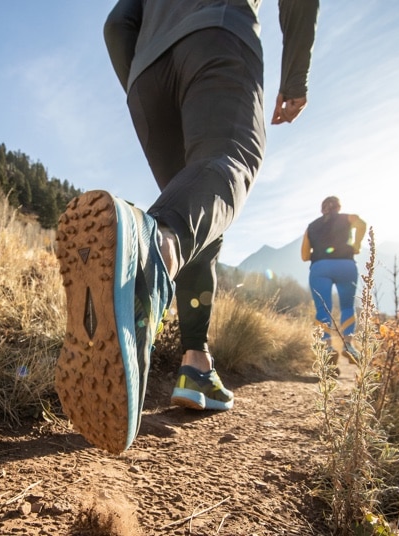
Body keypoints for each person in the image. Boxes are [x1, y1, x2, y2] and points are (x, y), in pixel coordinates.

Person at [55, 0, 320, 454]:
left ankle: (196, 365)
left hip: (145, 75)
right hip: (219, 37)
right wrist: (295, 77)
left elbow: (118, 23)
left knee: (197, 221)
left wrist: (140, 75)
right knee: (231, 161)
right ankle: (146, 263)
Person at [301, 196, 367, 369]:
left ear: (322, 209)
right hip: (346, 266)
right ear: (339, 207)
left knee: (324, 309)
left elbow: (305, 256)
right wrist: (356, 245)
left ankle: (328, 347)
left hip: (320, 268)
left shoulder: (311, 226)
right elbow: (362, 225)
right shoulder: (349, 218)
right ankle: (348, 344)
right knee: (347, 306)